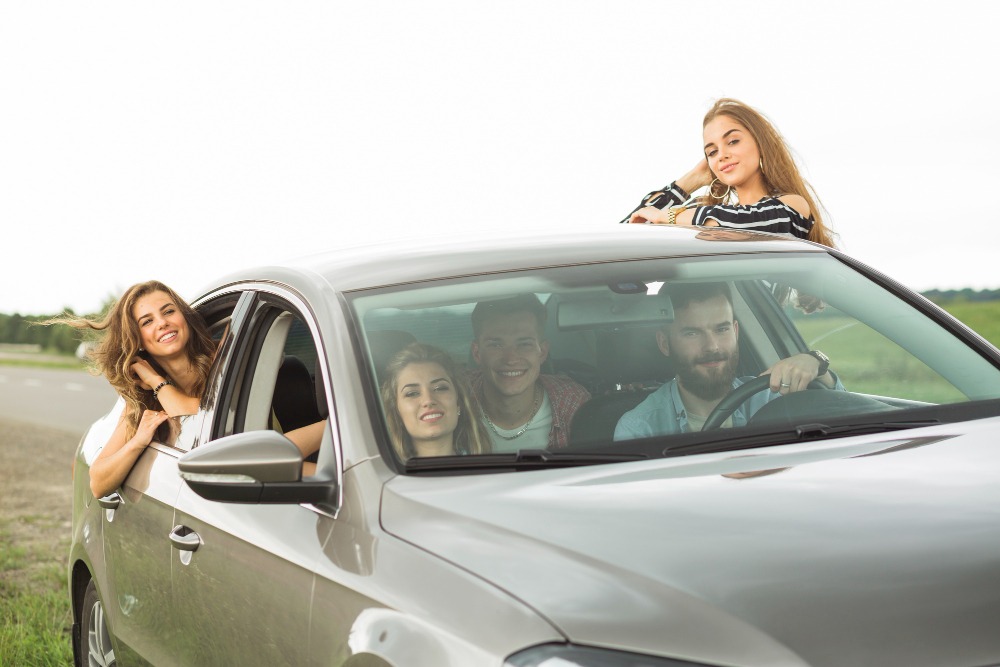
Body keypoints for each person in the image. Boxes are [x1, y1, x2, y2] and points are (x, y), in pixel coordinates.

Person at [51, 280, 324, 497]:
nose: (162, 322)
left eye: (169, 311)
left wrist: (157, 381)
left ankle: (338, 426)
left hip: (267, 474)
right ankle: (339, 425)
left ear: (183, 318)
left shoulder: (229, 355)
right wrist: (138, 441)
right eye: (147, 321)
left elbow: (205, 414)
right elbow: (98, 483)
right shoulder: (143, 403)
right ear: (139, 340)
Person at [614, 282, 841, 441]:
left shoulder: (773, 398)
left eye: (721, 329)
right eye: (692, 333)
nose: (712, 346)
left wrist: (817, 367)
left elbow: (845, 424)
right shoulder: (640, 428)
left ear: (735, 331)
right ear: (664, 343)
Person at [622, 98, 836, 248]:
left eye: (733, 141)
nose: (722, 155)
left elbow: (746, 221)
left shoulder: (792, 205)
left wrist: (667, 216)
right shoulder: (701, 212)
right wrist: (688, 182)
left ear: (760, 144)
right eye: (712, 152)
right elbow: (625, 236)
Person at [468, 294, 590, 451]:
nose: (511, 359)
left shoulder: (572, 402)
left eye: (524, 344)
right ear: (477, 353)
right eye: (496, 345)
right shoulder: (453, 397)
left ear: (542, 352)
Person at [380, 342, 491, 460]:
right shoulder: (380, 475)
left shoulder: (491, 471)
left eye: (440, 388)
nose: (428, 400)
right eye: (412, 393)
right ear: (397, 411)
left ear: (458, 403)